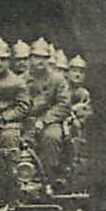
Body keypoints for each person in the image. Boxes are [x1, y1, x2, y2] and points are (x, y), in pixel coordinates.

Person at [24, 38, 72, 175]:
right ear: (30, 58)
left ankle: (48, 177)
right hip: (26, 120)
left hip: (50, 121)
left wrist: (44, 120)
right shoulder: (21, 80)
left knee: (52, 137)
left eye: (44, 57)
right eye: (36, 57)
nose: (40, 61)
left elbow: (64, 104)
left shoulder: (57, 80)